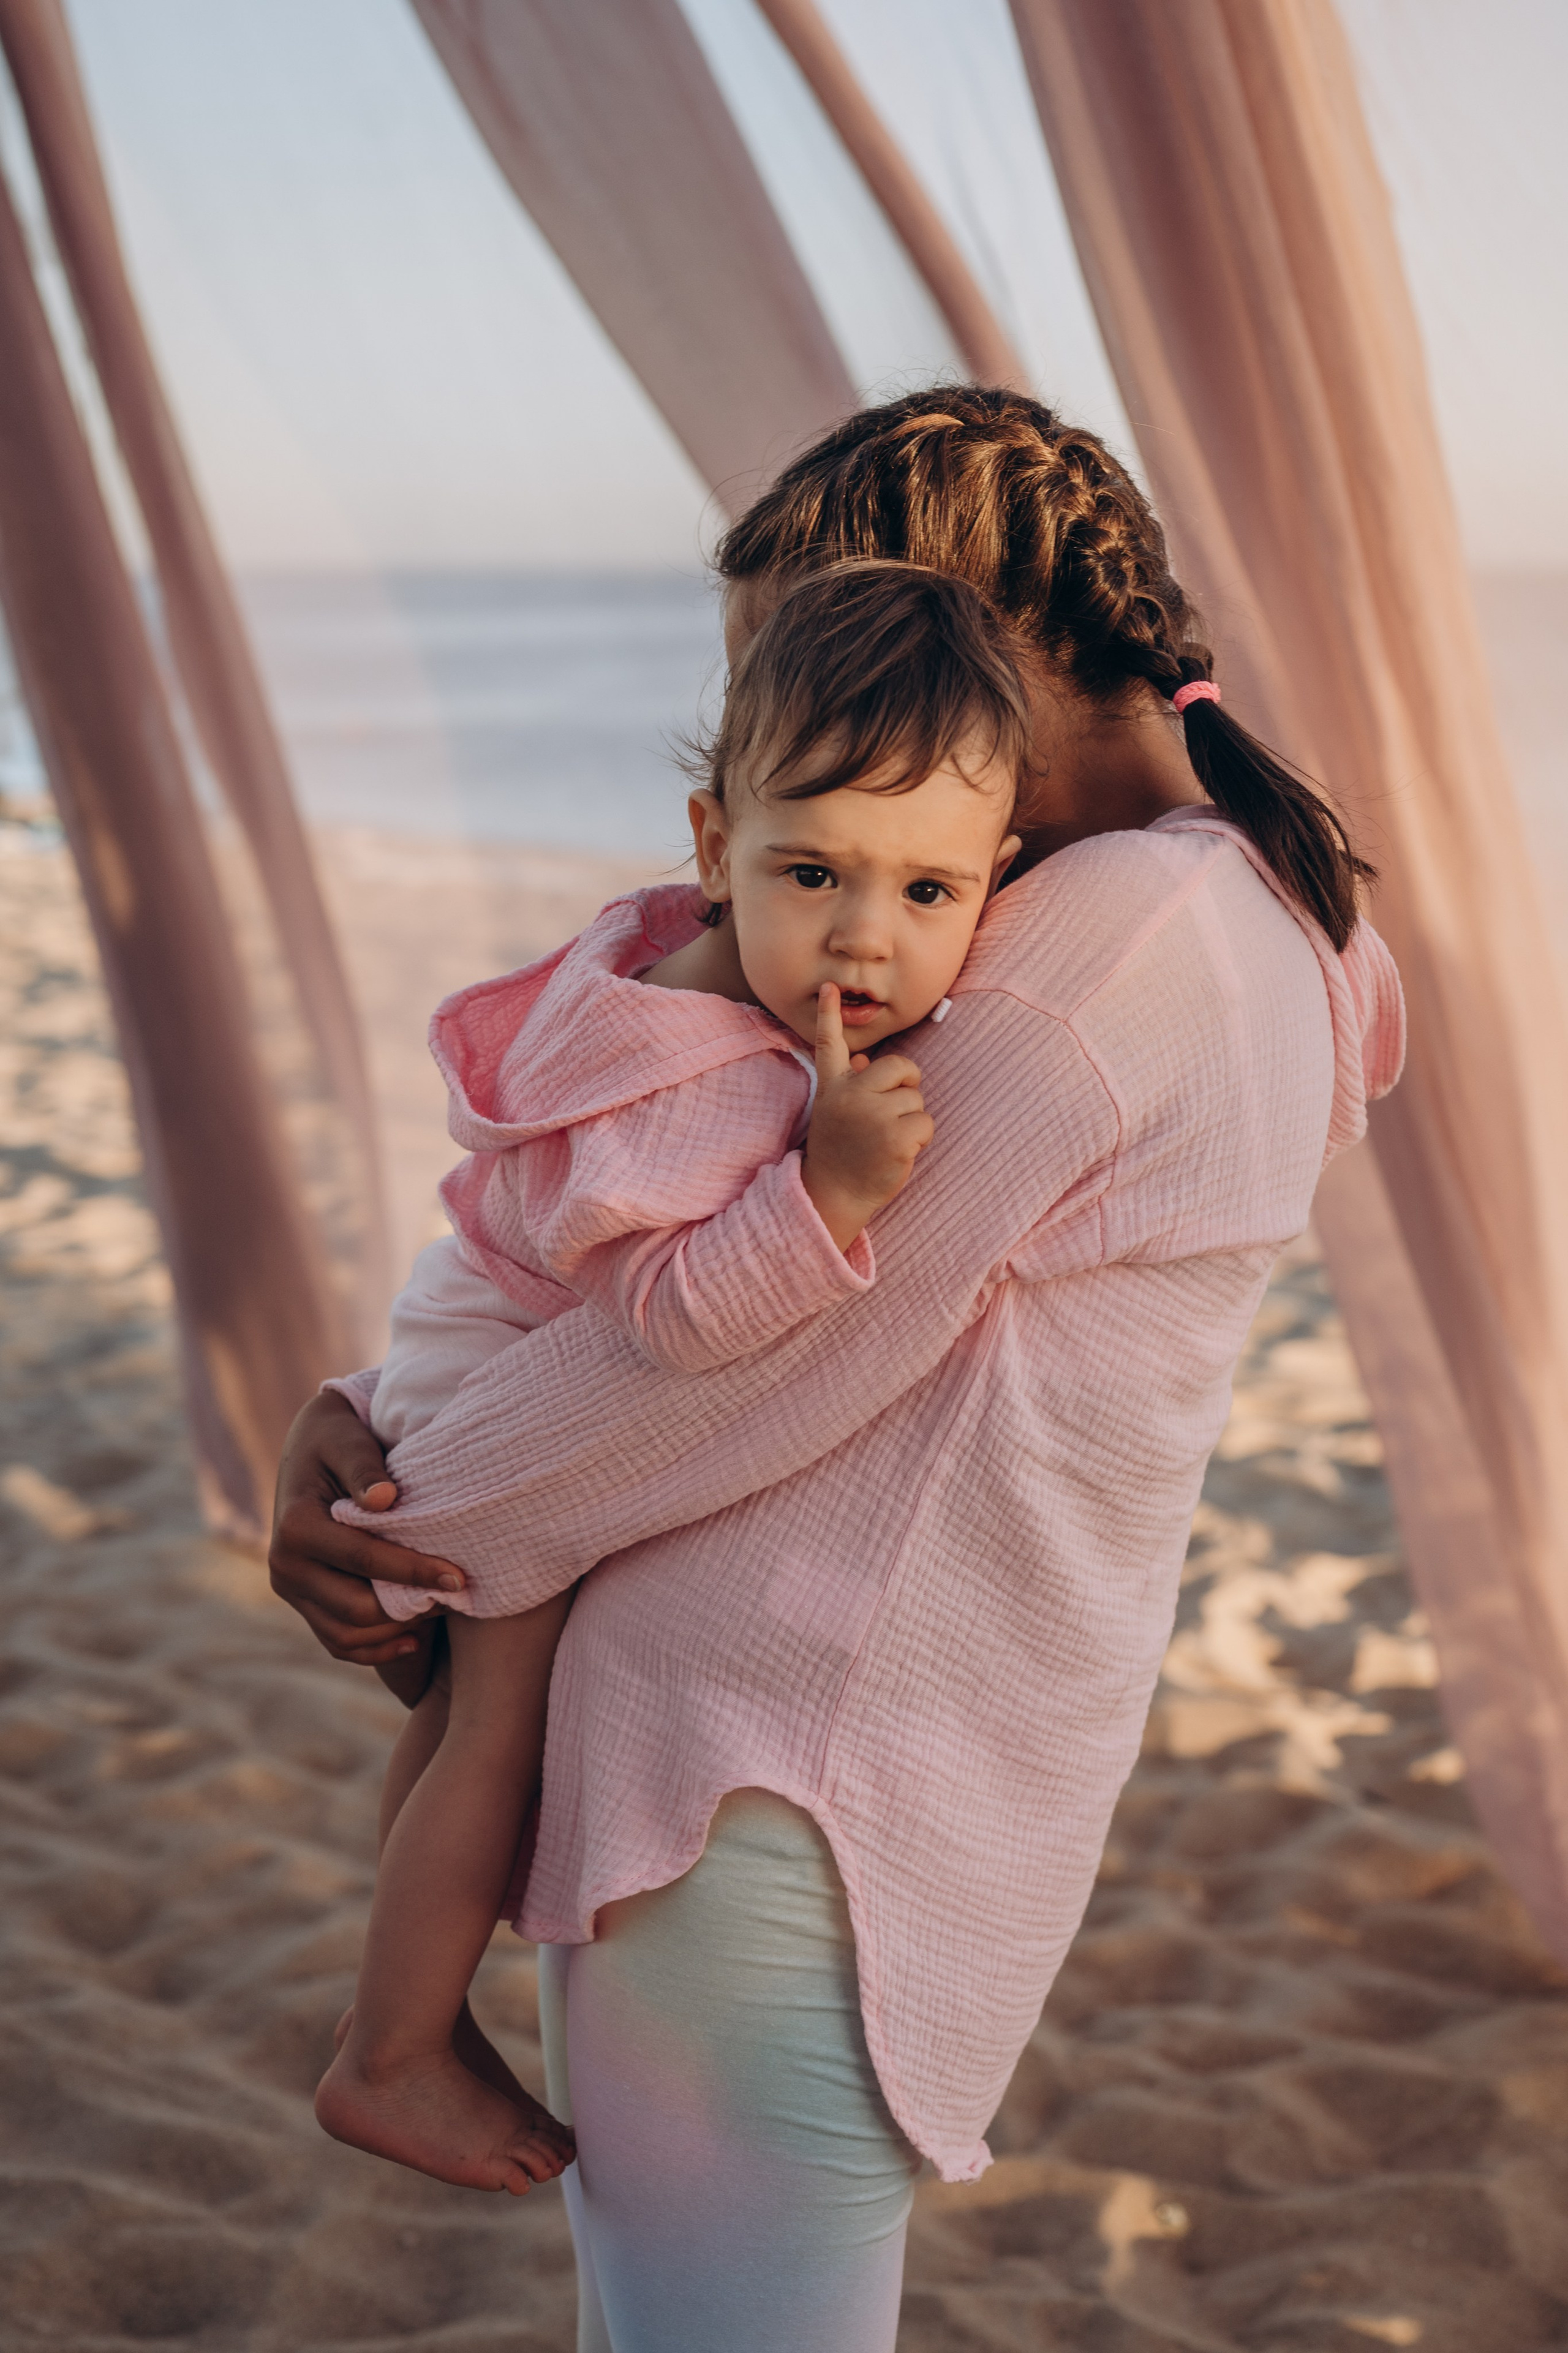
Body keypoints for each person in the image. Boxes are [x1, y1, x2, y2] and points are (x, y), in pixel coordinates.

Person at [270, 386, 1405, 2353]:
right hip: (787, 1774)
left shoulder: (1111, 953)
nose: (810, 737)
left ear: (959, 638)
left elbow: (734, 1365)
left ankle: (394, 2022)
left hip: (769, 1784)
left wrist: (398, 1513)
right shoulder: (1254, 904)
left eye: (821, 663)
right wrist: (383, 1420)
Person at [312, 563, 1029, 2194]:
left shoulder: (685, 967)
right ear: (714, 849)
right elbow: (672, 1320)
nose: (865, 938)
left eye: (932, 894)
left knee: (448, 1724)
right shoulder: (688, 1077)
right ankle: (391, 2046)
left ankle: (398, 2007)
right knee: (499, 1707)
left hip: (465, 1324)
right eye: (813, 872)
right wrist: (826, 1193)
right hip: (496, 1369)